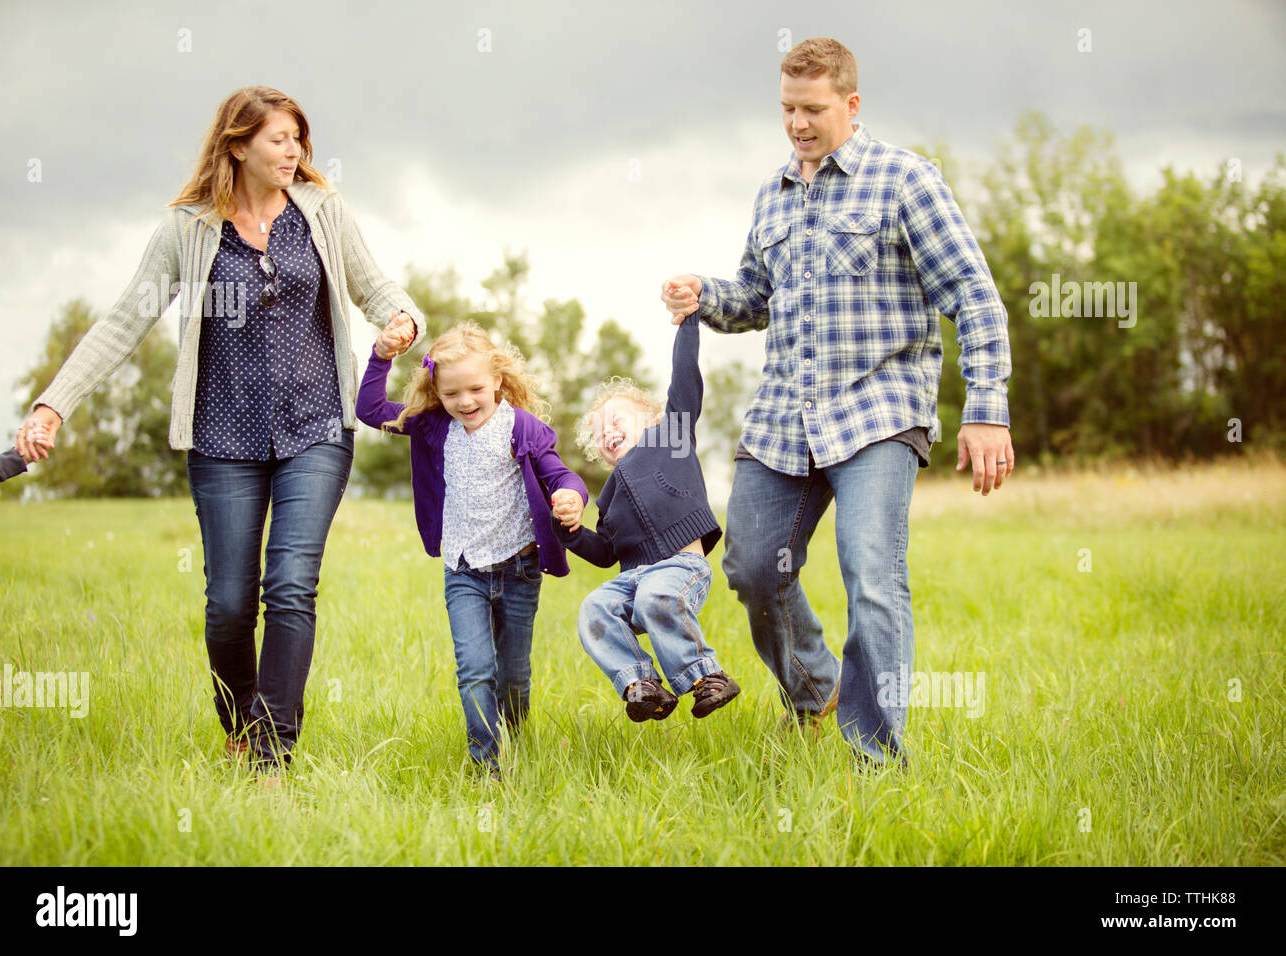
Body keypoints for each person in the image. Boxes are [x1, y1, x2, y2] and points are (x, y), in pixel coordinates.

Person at [16, 86, 424, 777]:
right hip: (221, 437)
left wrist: (403, 321)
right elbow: (124, 321)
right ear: (237, 145)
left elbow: (376, 287)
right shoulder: (187, 229)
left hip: (316, 425)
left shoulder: (322, 213)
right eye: (277, 139)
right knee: (230, 602)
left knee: (291, 585)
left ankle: (272, 753)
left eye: (299, 138)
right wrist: (54, 403)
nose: (293, 151)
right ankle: (237, 728)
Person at [661, 38, 1014, 766]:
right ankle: (818, 690)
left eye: (813, 109)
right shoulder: (773, 194)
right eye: (787, 108)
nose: (797, 123)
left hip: (880, 411)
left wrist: (986, 405)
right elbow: (755, 297)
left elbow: (974, 295)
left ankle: (875, 757)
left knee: (870, 573)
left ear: (850, 105)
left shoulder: (905, 180)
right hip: (785, 418)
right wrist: (705, 296)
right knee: (754, 568)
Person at [355, 320, 587, 777]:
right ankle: (487, 766)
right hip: (462, 571)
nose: (465, 402)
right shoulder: (431, 426)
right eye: (451, 394)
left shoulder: (524, 428)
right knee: (476, 669)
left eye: (476, 388)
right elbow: (370, 409)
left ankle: (516, 738)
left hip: (520, 568)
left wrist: (572, 497)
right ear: (436, 392)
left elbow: (562, 476)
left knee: (513, 676)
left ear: (498, 380)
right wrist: (382, 355)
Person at [552, 313, 740, 722]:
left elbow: (685, 381)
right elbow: (605, 553)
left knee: (657, 595)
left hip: (680, 567)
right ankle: (643, 684)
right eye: (598, 434)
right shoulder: (609, 494)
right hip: (631, 579)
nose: (607, 433)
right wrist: (569, 531)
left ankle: (707, 677)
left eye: (615, 421)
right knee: (594, 607)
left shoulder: (669, 439)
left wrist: (688, 325)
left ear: (653, 420)